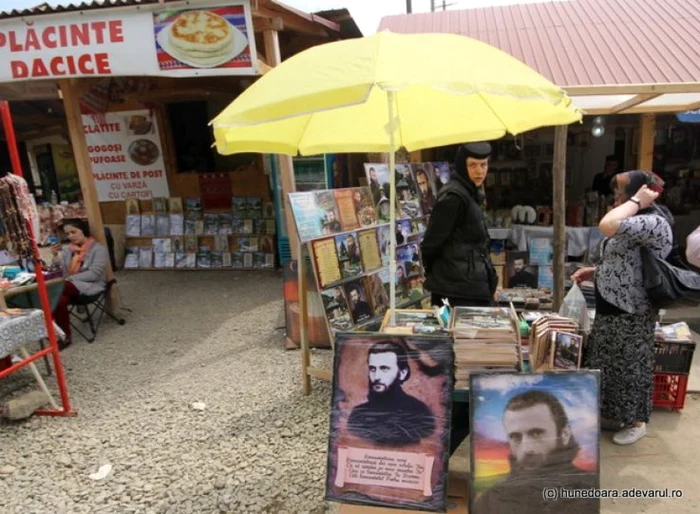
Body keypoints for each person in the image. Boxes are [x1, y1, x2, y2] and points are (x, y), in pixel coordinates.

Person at [572, 170, 672, 445]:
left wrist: (638, 202)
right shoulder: (631, 218)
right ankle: (615, 414)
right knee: (606, 365)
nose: (616, 195)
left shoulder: (653, 222)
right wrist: (594, 272)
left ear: (639, 191)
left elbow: (606, 225)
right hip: (611, 306)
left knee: (630, 367)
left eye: (621, 190)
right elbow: (623, 258)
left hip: (632, 311)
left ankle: (636, 421)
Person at [474, 390, 599, 514]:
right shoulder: (490, 501)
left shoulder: (588, 492)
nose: (527, 448)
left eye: (537, 433)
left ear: (564, 434)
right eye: (516, 437)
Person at [421, 142, 498, 307]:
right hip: (456, 291)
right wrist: (437, 272)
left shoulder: (471, 192)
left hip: (469, 286)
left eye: (483, 164)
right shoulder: (454, 197)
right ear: (463, 166)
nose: (479, 171)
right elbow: (431, 244)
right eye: (472, 165)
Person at [347, 341, 435, 446]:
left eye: (384, 368)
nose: (377, 376)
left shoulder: (419, 413)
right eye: (372, 369)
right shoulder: (358, 416)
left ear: (402, 373)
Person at [51, 219, 109, 349]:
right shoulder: (68, 251)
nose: (71, 236)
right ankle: (64, 336)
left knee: (53, 289)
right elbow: (61, 271)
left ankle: (53, 331)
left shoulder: (98, 249)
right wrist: (55, 257)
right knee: (59, 299)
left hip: (91, 285)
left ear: (84, 231)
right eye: (68, 233)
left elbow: (94, 274)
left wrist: (69, 279)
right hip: (69, 286)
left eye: (74, 232)